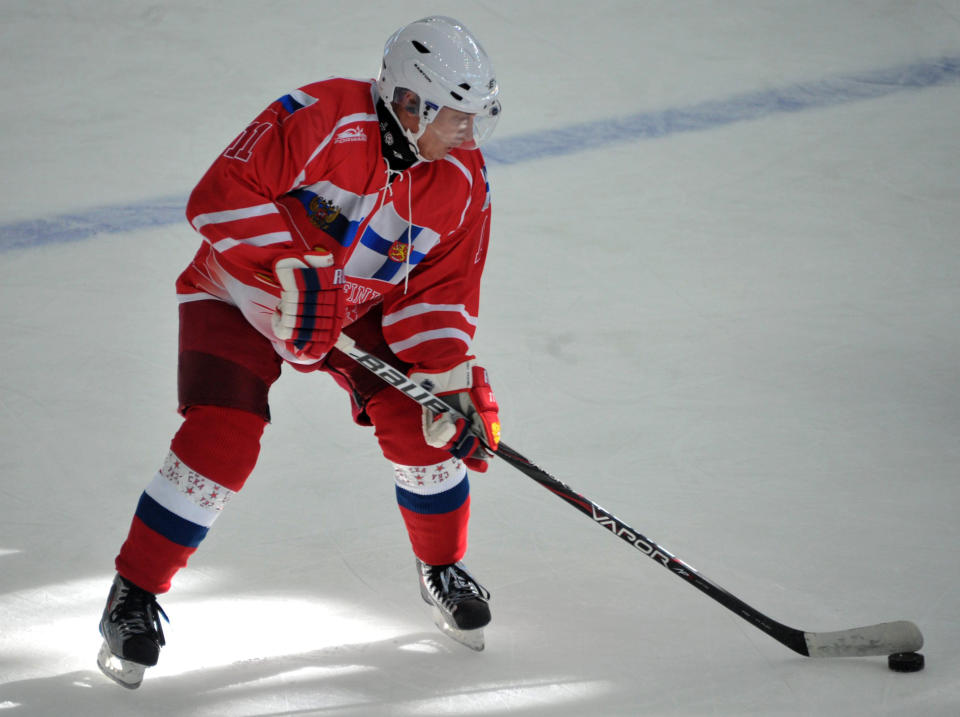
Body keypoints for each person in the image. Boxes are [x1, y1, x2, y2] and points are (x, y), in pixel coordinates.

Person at [97, 15, 503, 688]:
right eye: (455, 116)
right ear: (408, 102)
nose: (467, 133)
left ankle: (441, 564)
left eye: (474, 117)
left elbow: (442, 289)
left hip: (354, 309)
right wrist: (288, 265)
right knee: (225, 435)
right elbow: (217, 197)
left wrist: (445, 375)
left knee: (423, 420)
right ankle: (133, 594)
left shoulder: (462, 180)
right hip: (239, 291)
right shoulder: (322, 115)